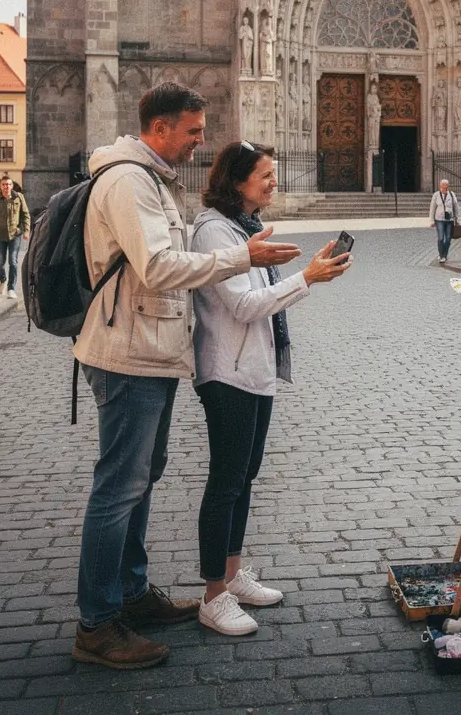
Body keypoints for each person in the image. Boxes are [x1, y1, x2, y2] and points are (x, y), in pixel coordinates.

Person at [71, 82, 301, 672]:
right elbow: (157, 266)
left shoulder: (152, 180)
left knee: (142, 479)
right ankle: (97, 623)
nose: (202, 141)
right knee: (119, 487)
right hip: (126, 351)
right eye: (194, 130)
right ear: (161, 128)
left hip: (151, 351)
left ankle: (131, 593)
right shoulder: (128, 180)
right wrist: (242, 258)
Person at [189, 141, 351, 636]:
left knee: (245, 476)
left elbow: (258, 298)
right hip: (227, 372)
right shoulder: (215, 230)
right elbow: (241, 305)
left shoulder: (246, 227)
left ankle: (234, 574)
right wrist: (306, 278)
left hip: (254, 370)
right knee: (226, 482)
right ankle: (213, 593)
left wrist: (308, 271)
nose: (274, 182)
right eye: (266, 175)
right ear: (238, 181)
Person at [0, 176, 31, 300]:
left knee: (13, 262)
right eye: (4, 184)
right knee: (0, 262)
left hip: (15, 234)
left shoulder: (18, 197)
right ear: (1, 186)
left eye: (9, 184)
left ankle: (11, 288)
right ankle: (3, 279)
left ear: (12, 186)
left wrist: (25, 230)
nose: (6, 187)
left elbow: (25, 215)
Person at [428, 179, 460, 264]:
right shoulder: (436, 195)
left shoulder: (452, 195)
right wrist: (431, 220)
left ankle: (444, 255)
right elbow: (432, 208)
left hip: (449, 220)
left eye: (445, 187)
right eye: (442, 187)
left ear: (448, 187)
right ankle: (441, 254)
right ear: (440, 186)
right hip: (439, 219)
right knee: (441, 238)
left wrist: (458, 219)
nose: (443, 189)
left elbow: (456, 207)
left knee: (448, 238)